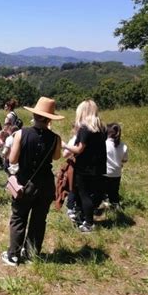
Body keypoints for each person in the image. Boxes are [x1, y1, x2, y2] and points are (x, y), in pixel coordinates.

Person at [1, 97, 63, 266]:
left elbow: (12, 160)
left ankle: (13, 255)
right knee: (38, 219)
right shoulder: (55, 138)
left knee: (19, 218)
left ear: (34, 114)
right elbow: (56, 157)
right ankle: (31, 254)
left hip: (25, 183)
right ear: (50, 118)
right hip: (46, 184)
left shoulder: (22, 133)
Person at [62, 100, 106, 233]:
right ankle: (85, 217)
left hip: (84, 167)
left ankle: (89, 223)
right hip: (99, 166)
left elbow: (79, 149)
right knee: (92, 193)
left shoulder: (84, 128)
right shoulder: (101, 128)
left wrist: (65, 145)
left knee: (84, 194)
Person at [103, 123, 128, 209]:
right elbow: (124, 160)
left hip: (105, 172)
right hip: (117, 173)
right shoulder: (123, 146)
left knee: (103, 190)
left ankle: (104, 201)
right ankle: (115, 204)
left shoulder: (104, 144)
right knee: (114, 191)